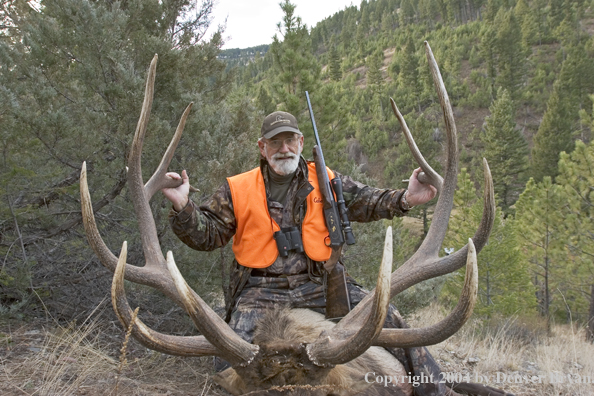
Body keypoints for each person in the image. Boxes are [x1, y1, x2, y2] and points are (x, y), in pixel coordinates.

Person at [162, 110, 444, 395]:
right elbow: (207, 235)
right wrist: (183, 207)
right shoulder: (238, 188)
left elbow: (369, 200)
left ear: (300, 142)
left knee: (388, 317)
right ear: (262, 147)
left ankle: (437, 388)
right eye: (275, 142)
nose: (283, 149)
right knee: (228, 361)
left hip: (317, 282)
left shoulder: (326, 180)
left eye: (289, 140)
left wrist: (407, 198)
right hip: (261, 289)